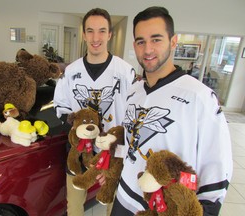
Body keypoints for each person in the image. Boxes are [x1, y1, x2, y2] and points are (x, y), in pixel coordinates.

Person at [109, 6, 233, 216]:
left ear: (173, 42)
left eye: (156, 39)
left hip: (165, 208)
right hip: (125, 198)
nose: (147, 49)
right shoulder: (134, 90)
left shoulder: (200, 96)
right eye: (141, 42)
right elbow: (132, 143)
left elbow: (217, 165)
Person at [53, 8, 135, 216]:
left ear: (109, 34)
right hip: (80, 152)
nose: (95, 37)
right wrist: (78, 128)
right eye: (90, 31)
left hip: (114, 154)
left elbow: (134, 116)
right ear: (84, 34)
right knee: (74, 208)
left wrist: (118, 155)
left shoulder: (125, 72)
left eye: (101, 31)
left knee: (114, 208)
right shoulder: (70, 72)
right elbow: (60, 107)